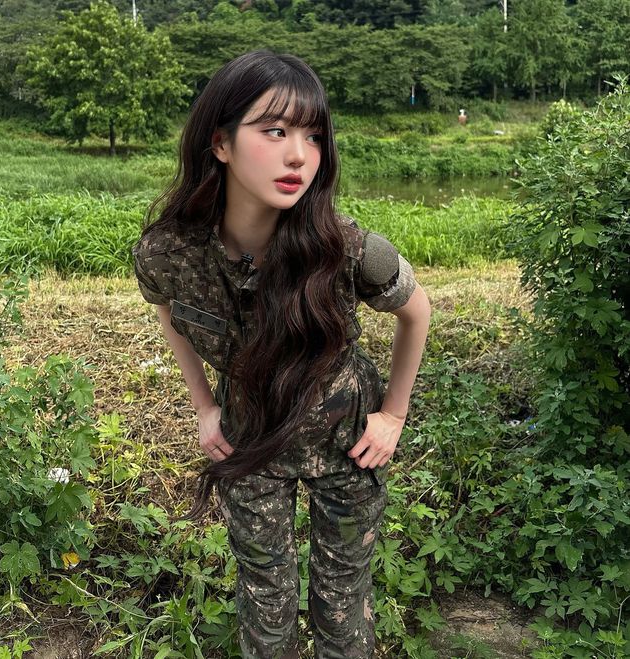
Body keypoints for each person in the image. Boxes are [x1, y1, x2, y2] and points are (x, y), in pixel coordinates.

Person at [131, 49, 431, 659]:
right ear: (220, 143)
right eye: (275, 131)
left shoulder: (346, 249)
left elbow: (416, 311)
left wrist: (394, 415)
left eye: (313, 136)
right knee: (265, 601)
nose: (299, 155)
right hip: (250, 441)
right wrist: (204, 406)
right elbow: (169, 312)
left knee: (341, 607)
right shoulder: (169, 252)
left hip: (347, 445)